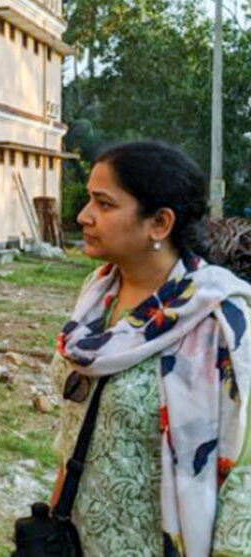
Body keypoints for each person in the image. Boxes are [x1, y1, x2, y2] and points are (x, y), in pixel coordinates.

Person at [54, 141, 251, 557]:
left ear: (159, 222)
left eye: (104, 204)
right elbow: (74, 428)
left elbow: (242, 473)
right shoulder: (97, 295)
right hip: (78, 538)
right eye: (89, 199)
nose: (83, 216)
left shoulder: (219, 319)